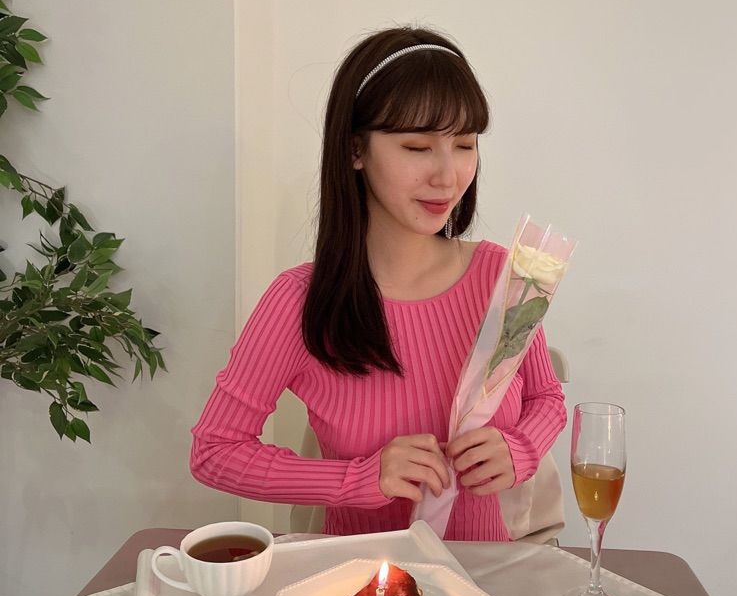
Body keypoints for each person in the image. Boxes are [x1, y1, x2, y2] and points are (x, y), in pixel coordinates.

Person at [190, 26, 566, 540]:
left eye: (464, 145)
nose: (448, 175)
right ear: (355, 150)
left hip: (485, 576)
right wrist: (359, 479)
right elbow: (215, 451)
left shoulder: (504, 279)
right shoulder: (299, 301)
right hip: (356, 580)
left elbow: (547, 398)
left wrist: (520, 449)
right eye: (417, 146)